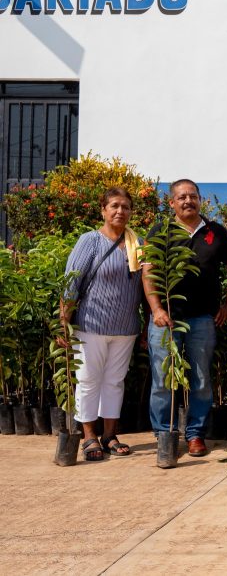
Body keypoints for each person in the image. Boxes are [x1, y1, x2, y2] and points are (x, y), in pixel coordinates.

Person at [143, 179, 227, 457]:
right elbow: (148, 273)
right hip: (166, 319)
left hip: (203, 319)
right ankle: (164, 434)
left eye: (193, 196)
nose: (188, 201)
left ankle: (195, 434)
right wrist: (157, 309)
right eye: (181, 197)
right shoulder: (160, 231)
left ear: (200, 200)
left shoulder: (216, 232)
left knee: (201, 379)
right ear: (171, 203)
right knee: (162, 378)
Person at [62, 187, 144, 461]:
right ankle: (88, 436)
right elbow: (71, 282)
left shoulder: (137, 244)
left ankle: (110, 434)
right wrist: (64, 321)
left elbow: (146, 287)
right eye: (115, 206)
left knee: (115, 382)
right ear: (103, 210)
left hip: (125, 328)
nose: (120, 211)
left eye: (125, 207)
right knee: (88, 380)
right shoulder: (90, 241)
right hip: (91, 325)